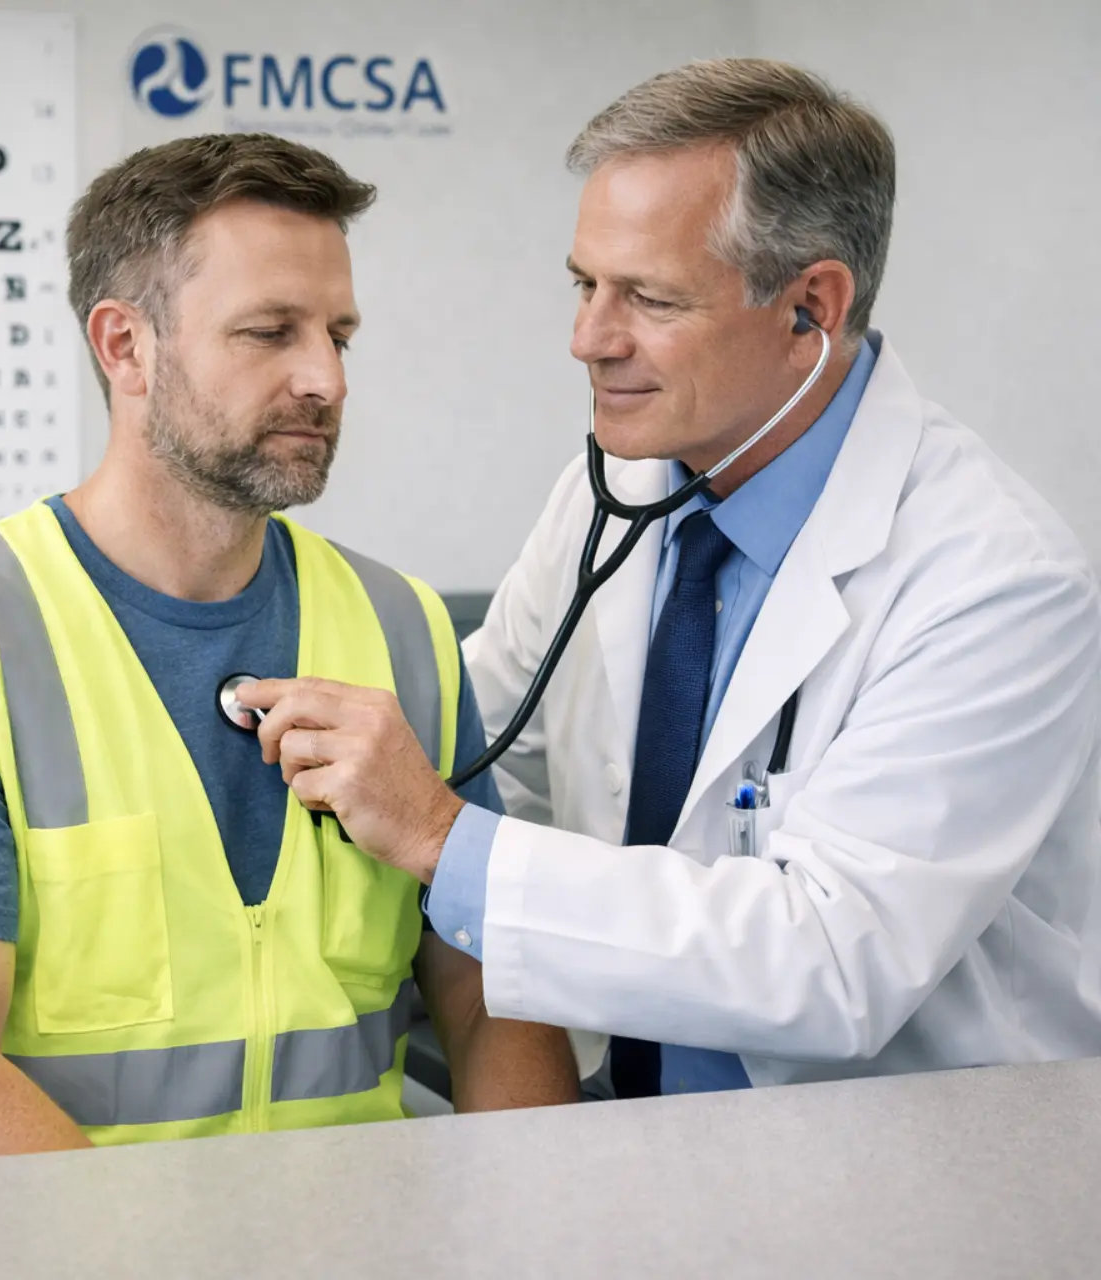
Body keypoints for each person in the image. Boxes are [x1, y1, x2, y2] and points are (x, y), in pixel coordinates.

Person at [239, 58, 1101, 1096]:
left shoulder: (996, 578)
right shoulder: (615, 489)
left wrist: (441, 836)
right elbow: (490, 748)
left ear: (809, 309)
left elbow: (831, 961)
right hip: (630, 1128)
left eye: (648, 297)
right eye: (584, 283)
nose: (588, 339)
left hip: (897, 1166)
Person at [0, 133, 578, 1170]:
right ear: (125, 346)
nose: (326, 378)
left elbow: (490, 995)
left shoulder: (403, 628)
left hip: (345, 1237)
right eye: (270, 332)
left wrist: (539, 1219)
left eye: (339, 335)